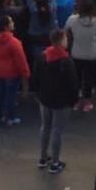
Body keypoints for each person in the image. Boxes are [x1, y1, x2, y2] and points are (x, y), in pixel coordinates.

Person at [34, 29, 78, 174]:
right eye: (66, 39)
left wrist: (38, 94)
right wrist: (74, 100)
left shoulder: (42, 56)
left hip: (45, 98)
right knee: (57, 130)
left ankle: (42, 158)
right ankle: (55, 162)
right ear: (61, 41)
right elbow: (72, 84)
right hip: (62, 101)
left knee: (45, 126)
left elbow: (36, 77)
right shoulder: (66, 61)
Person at [0, 15, 30, 126]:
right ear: (6, 27)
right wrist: (26, 74)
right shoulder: (14, 42)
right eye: (11, 22)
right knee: (10, 97)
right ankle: (10, 118)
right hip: (11, 74)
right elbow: (21, 61)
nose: (13, 23)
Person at [65, 0, 96, 112]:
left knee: (76, 78)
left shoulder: (72, 20)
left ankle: (77, 101)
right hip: (92, 53)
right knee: (89, 79)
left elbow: (65, 29)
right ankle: (87, 102)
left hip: (76, 52)